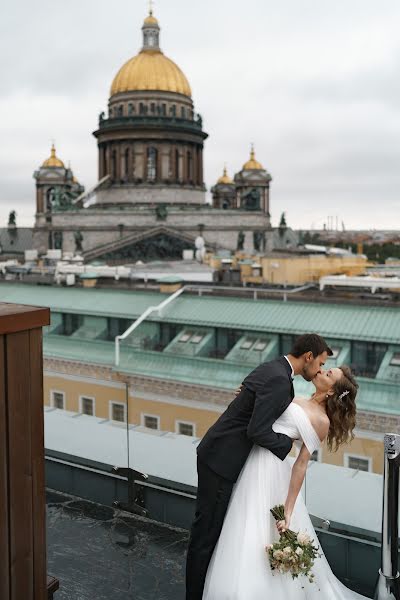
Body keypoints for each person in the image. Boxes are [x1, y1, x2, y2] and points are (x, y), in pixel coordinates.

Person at [185, 333, 333, 600]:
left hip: (220, 454)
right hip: (221, 459)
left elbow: (250, 392)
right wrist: (286, 445)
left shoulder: (275, 369)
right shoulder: (279, 378)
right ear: (309, 357)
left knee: (210, 532)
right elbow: (257, 430)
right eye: (321, 363)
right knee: (205, 536)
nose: (320, 369)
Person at [202, 364, 364, 599]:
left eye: (329, 374)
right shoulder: (295, 398)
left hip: (272, 470)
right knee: (242, 523)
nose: (322, 371)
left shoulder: (321, 421)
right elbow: (262, 416)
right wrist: (248, 398)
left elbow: (300, 464)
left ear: (331, 391)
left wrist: (288, 509)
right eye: (326, 368)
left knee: (259, 528)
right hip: (250, 461)